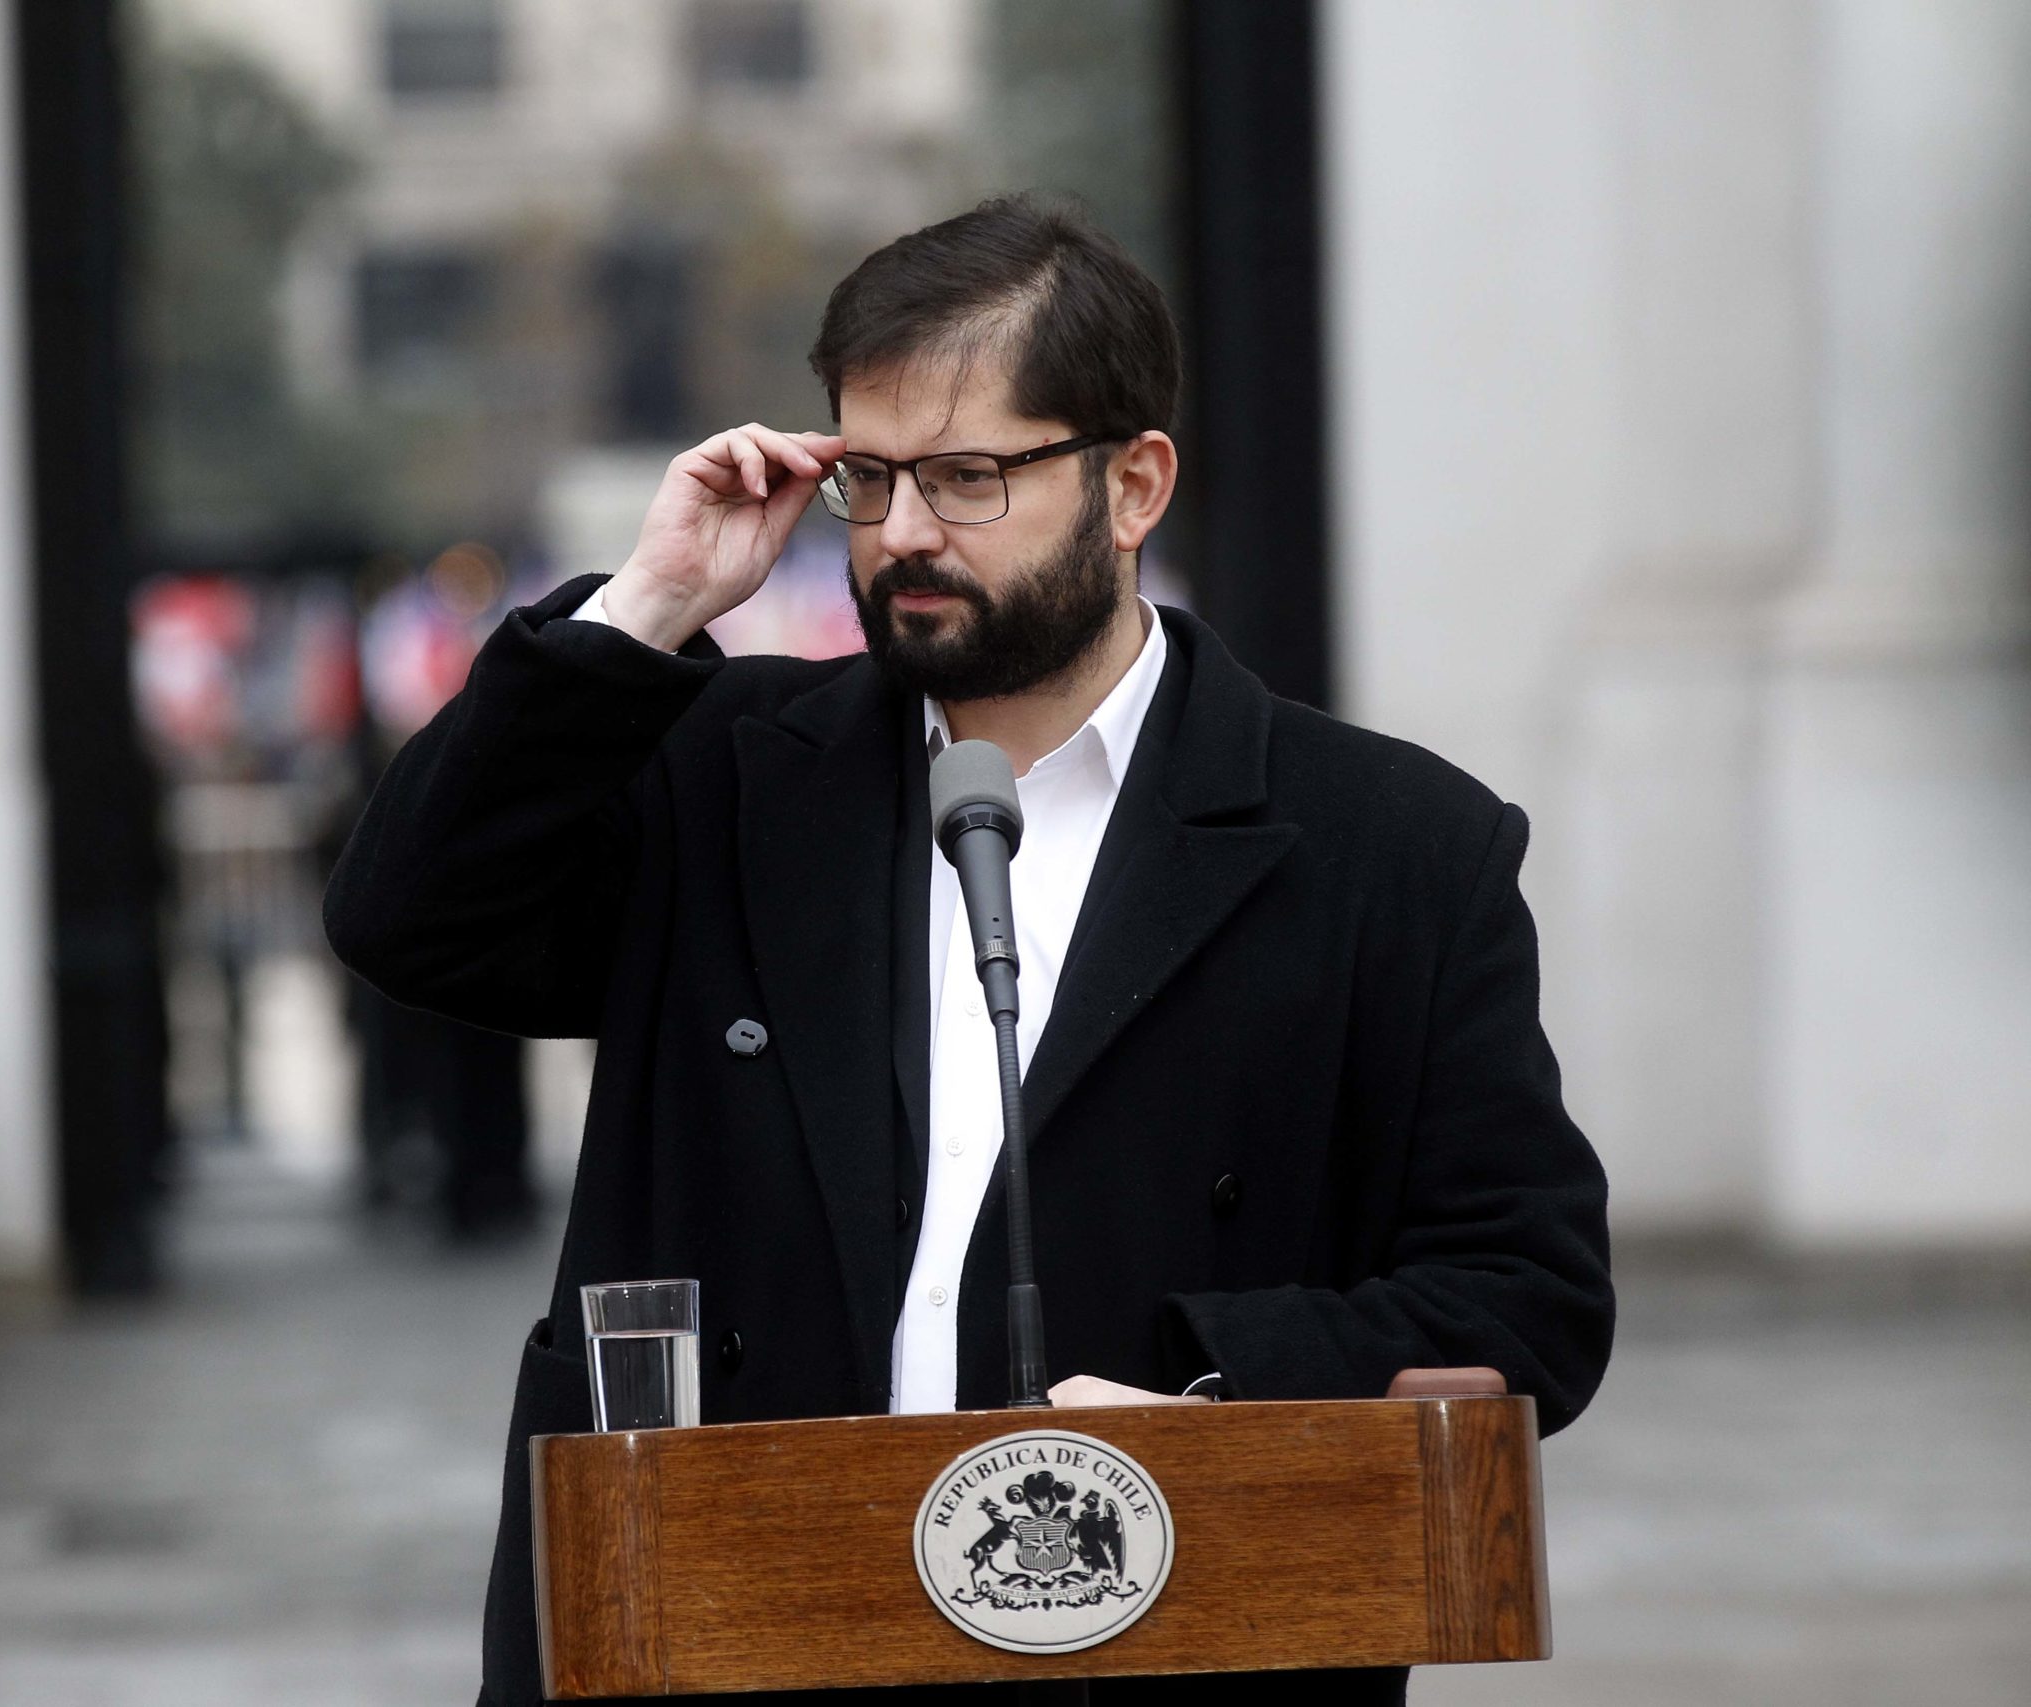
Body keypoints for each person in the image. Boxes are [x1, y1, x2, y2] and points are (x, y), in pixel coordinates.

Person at [324, 196, 1613, 1706]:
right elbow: (409, 918)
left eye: (968, 476)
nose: (905, 533)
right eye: (868, 479)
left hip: (1155, 1637)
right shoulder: (722, 772)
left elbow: (1526, 1297)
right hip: (722, 1625)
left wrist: (1216, 1401)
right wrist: (650, 605)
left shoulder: (1391, 846)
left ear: (1133, 486)